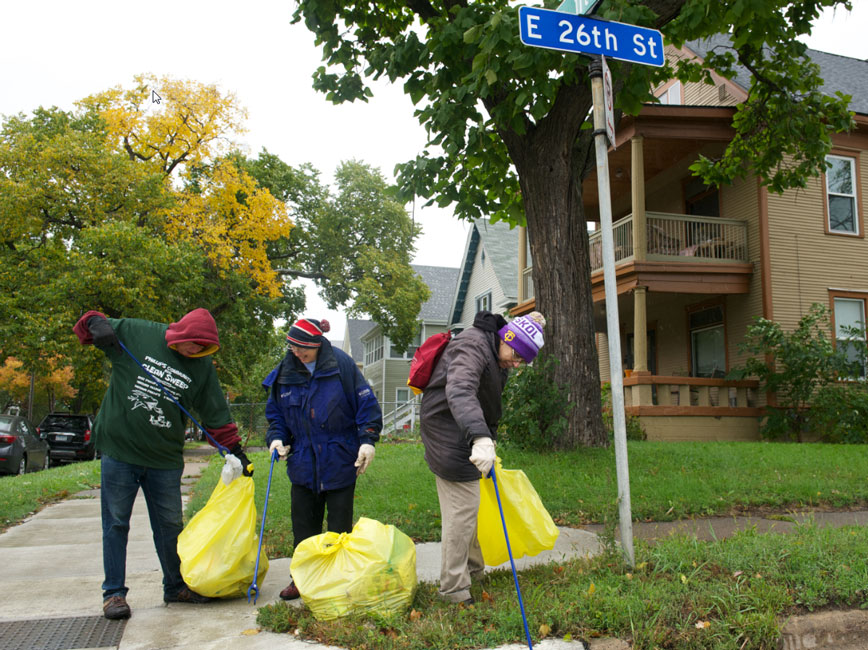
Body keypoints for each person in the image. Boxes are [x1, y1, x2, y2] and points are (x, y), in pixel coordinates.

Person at [73, 308, 251, 620]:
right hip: (120, 450)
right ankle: (113, 593)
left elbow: (215, 414)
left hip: (164, 458)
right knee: (116, 523)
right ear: (181, 334)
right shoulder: (138, 332)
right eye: (193, 344)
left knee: (169, 525)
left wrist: (235, 450)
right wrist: (96, 324)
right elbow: (87, 326)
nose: (195, 350)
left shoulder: (201, 366)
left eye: (203, 347)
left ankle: (175, 585)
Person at [419, 310, 545, 605]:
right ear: (508, 337)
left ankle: (474, 571)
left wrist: (485, 438)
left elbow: (485, 400)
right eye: (517, 356)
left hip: (465, 431)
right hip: (448, 433)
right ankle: (453, 589)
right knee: (461, 513)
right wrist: (480, 437)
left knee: (470, 507)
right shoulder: (473, 346)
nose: (516, 364)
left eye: (521, 361)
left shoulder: (497, 347)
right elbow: (461, 390)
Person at [263, 317, 383, 601]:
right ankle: (301, 580)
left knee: (339, 529)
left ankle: (338, 581)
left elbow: (367, 405)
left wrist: (367, 441)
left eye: (303, 349)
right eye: (293, 347)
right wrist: (277, 438)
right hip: (303, 461)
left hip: (340, 459)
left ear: (318, 345)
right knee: (304, 527)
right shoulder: (285, 371)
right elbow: (276, 414)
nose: (297, 354)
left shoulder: (340, 365)